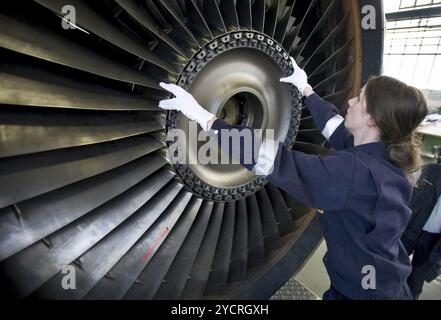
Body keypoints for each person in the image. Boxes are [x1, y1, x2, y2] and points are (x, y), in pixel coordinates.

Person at [158, 57, 428, 300]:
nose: (350, 102)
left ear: (373, 119)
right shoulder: (385, 155)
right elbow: (335, 128)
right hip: (388, 284)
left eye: (359, 100)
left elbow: (273, 160)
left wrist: (207, 120)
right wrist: (306, 89)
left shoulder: (353, 173)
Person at [401, 163, 441, 299]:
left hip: (433, 241)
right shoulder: (431, 170)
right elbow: (410, 196)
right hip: (412, 228)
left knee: (416, 282)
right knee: (389, 266)